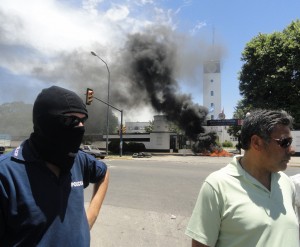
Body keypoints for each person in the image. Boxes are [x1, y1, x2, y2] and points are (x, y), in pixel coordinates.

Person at [0, 86, 109, 246]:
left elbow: (103, 173)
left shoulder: (78, 160)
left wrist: (89, 218)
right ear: (44, 122)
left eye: (82, 120)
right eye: (70, 120)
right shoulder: (6, 174)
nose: (80, 127)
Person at [185, 109, 299, 247]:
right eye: (285, 142)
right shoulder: (217, 186)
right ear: (256, 143)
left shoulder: (286, 183)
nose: (292, 150)